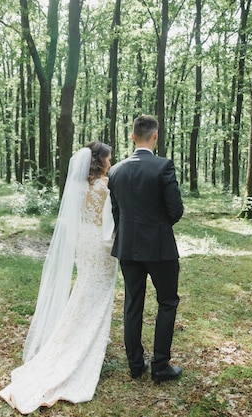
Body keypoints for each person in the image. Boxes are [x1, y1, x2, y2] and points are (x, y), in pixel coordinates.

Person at [0, 141, 118, 414]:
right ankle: (85, 342)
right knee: (97, 292)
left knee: (85, 288)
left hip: (82, 242)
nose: (111, 162)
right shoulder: (104, 186)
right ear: (100, 160)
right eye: (109, 159)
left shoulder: (77, 186)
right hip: (100, 243)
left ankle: (79, 334)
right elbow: (109, 218)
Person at [107, 114, 184, 383]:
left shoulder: (114, 170)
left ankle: (135, 365)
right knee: (167, 302)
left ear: (132, 137)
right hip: (160, 248)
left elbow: (117, 213)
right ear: (155, 136)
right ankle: (160, 365)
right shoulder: (164, 166)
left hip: (128, 248)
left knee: (133, 304)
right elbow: (175, 211)